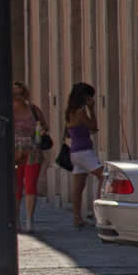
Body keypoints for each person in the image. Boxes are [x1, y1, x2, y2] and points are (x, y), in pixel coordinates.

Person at [12, 80, 52, 232]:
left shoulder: (33, 109)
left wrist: (41, 131)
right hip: (14, 153)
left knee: (30, 185)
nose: (17, 96)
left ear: (25, 94)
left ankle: (29, 219)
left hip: (33, 152)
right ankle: (16, 219)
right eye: (14, 93)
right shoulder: (7, 110)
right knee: (16, 187)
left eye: (20, 93)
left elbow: (45, 126)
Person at [61, 82, 102, 228]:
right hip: (85, 152)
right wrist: (92, 109)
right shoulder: (80, 112)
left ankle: (77, 217)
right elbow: (93, 127)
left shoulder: (69, 112)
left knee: (78, 186)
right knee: (104, 177)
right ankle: (101, 215)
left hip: (74, 152)